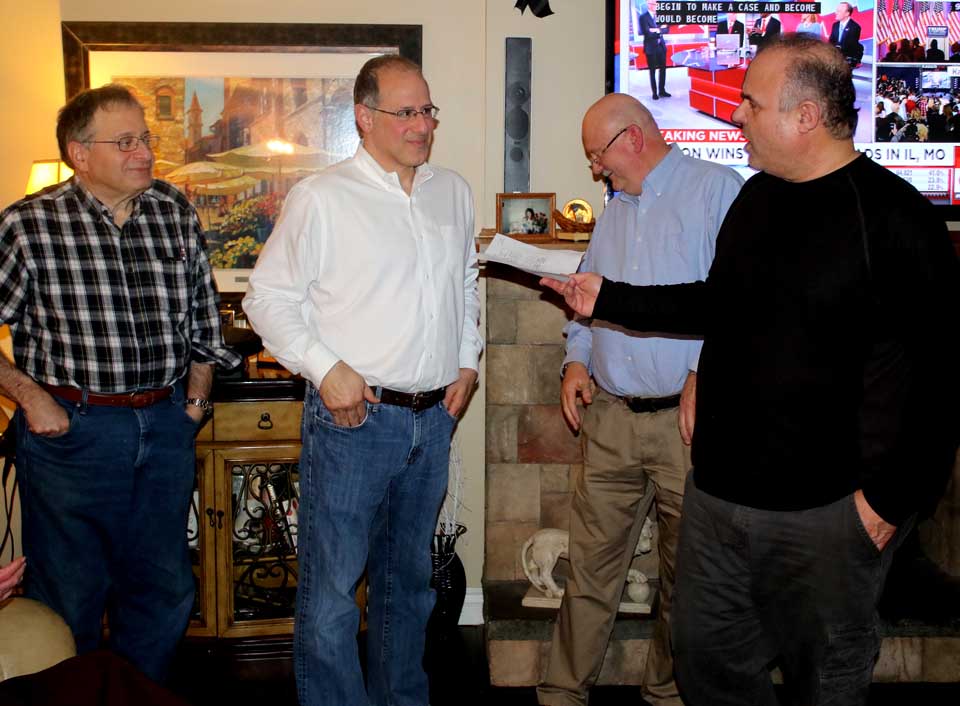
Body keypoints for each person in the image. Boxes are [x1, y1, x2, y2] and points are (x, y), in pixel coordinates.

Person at [541, 35, 960, 706]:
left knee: (821, 679)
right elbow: (720, 305)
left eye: (749, 102)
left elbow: (941, 382)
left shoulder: (896, 220)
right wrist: (610, 298)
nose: (734, 115)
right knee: (708, 665)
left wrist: (887, 504)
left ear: (804, 117)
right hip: (719, 499)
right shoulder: (758, 199)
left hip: (826, 515)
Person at [242, 55, 482, 706]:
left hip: (431, 423)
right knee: (331, 594)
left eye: (427, 110)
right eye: (406, 112)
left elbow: (464, 283)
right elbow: (266, 300)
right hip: (355, 421)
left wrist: (468, 359)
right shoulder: (322, 198)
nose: (421, 124)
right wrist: (327, 369)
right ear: (364, 118)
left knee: (409, 587)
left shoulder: (452, 192)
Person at [0, 84, 240, 682]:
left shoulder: (172, 210)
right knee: (70, 592)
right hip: (72, 434)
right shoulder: (28, 226)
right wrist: (30, 396)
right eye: (126, 141)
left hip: (163, 427)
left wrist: (195, 401)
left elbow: (203, 319)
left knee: (163, 587)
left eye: (146, 139)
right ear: (80, 154)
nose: (144, 152)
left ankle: (138, 694)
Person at [536, 94, 743, 706]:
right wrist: (577, 358)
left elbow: (739, 303)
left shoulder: (717, 191)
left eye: (597, 156)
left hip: (685, 426)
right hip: (611, 421)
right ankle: (562, 693)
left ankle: (667, 693)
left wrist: (705, 373)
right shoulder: (615, 209)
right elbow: (587, 296)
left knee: (687, 581)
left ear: (632, 138)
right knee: (589, 573)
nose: (595, 170)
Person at [637, 1, 671, 99]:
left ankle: (662, 90)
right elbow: (647, 33)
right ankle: (654, 93)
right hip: (650, 48)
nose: (657, 7)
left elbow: (667, 29)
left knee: (663, 69)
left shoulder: (661, 16)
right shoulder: (643, 17)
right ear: (649, 5)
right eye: (655, 4)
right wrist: (660, 30)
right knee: (653, 71)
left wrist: (656, 30)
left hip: (661, 47)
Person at [829, 2, 863, 66]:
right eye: (836, 10)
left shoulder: (855, 27)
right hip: (834, 59)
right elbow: (831, 41)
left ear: (847, 13)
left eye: (839, 11)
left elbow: (851, 45)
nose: (836, 12)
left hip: (846, 61)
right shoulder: (835, 25)